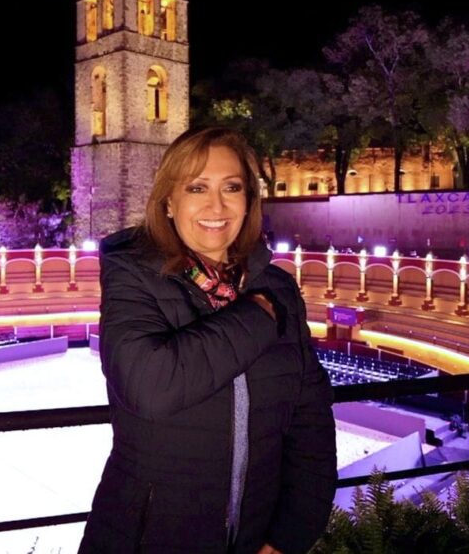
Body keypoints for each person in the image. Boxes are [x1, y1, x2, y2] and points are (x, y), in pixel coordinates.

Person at [80, 127, 337, 554]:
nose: (216, 206)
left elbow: (311, 424)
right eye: (197, 187)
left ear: (248, 199)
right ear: (168, 201)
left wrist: (288, 537)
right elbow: (150, 387)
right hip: (143, 538)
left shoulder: (278, 289)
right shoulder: (133, 276)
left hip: (254, 537)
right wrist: (255, 318)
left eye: (231, 188)